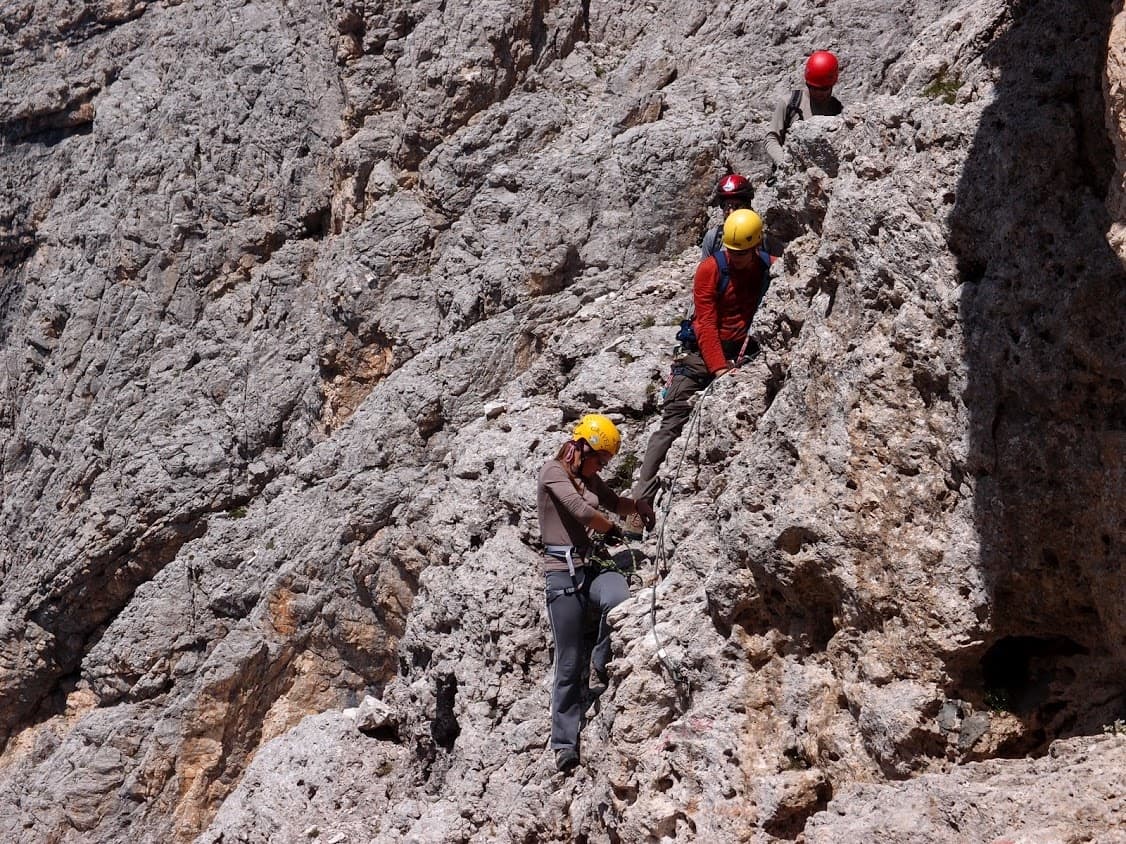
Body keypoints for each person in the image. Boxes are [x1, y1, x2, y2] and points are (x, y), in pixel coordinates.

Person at [625, 209, 773, 535]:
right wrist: (719, 368)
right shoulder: (710, 269)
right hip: (698, 359)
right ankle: (638, 506)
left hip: (742, 355)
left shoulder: (768, 266)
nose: (735, 260)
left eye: (742, 254)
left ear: (756, 247)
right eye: (731, 253)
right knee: (670, 424)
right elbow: (705, 321)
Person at [537, 413, 655, 772]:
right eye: (599, 459)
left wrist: (638, 505)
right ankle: (564, 743)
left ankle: (602, 660)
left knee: (619, 601)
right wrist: (611, 531)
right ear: (581, 448)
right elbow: (583, 512)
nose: (600, 466)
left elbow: (613, 501)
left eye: (604, 462)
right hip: (562, 575)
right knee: (569, 662)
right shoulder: (553, 472)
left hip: (590, 567)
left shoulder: (588, 475)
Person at [763, 50, 844, 169]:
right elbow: (771, 138)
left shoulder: (836, 109)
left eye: (823, 89)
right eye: (813, 88)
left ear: (832, 85)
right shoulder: (790, 103)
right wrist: (783, 163)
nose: (818, 93)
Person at [700, 173, 783, 258]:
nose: (731, 212)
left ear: (747, 206)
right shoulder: (713, 238)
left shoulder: (766, 242)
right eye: (726, 206)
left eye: (737, 206)